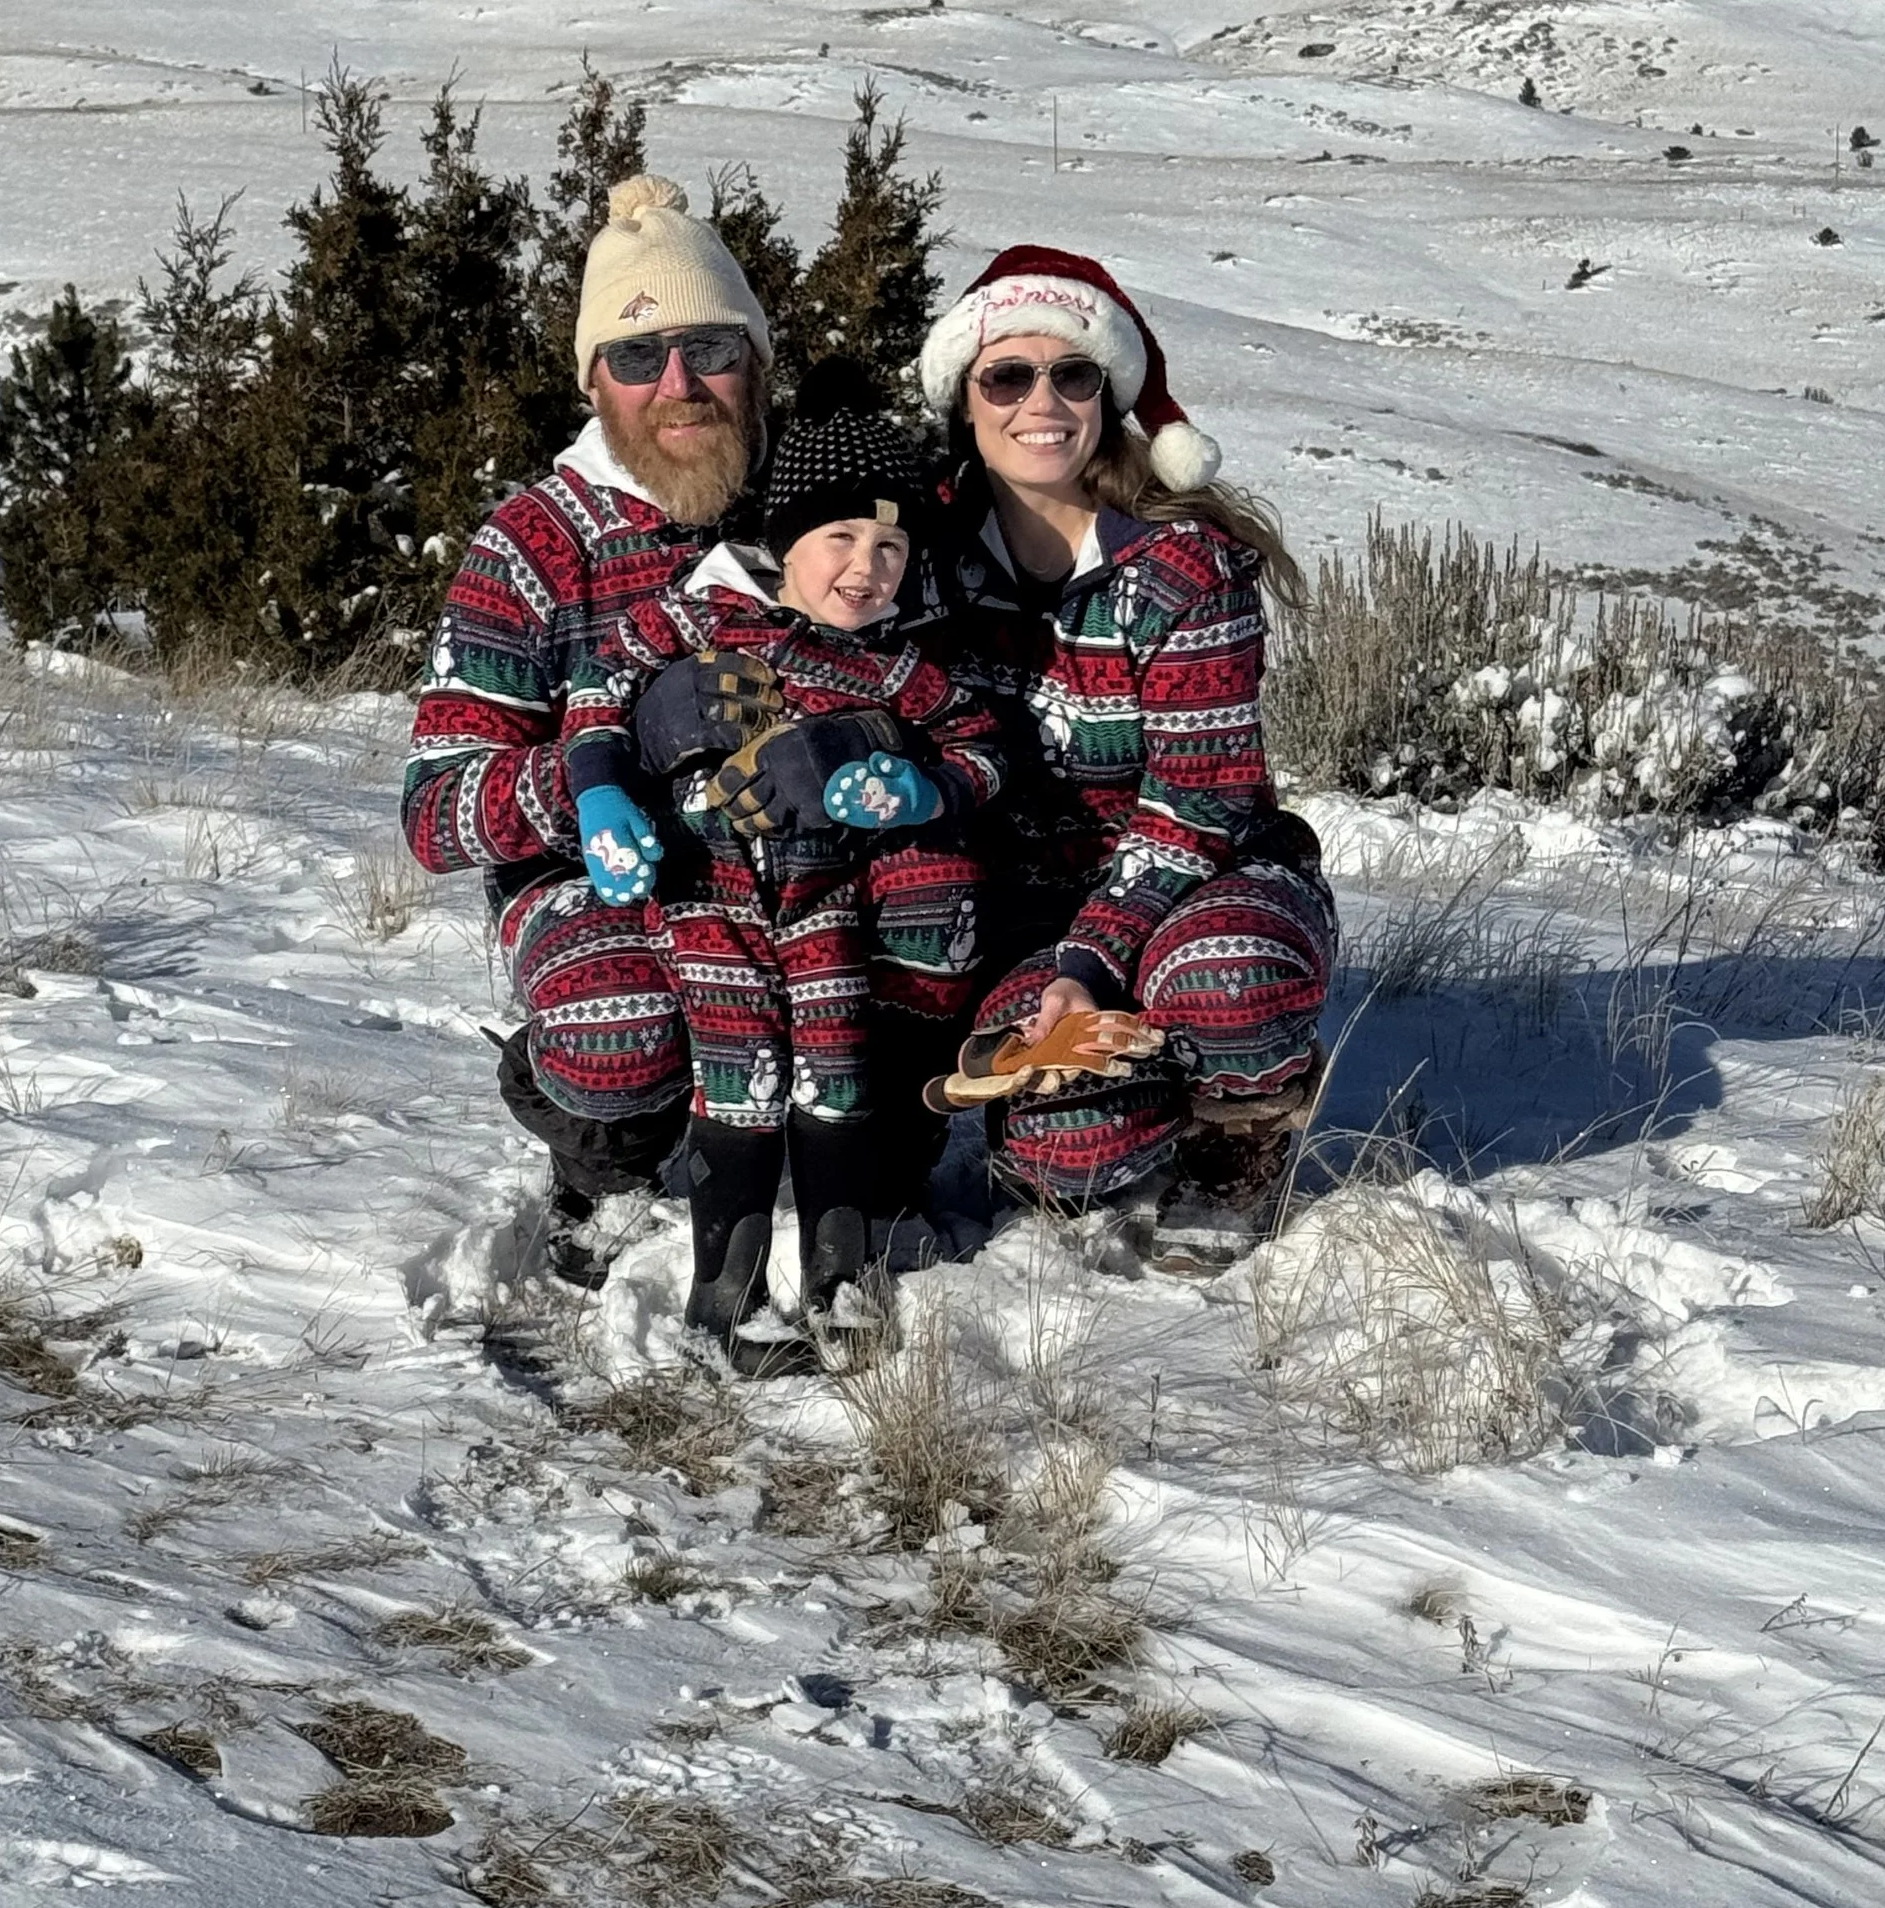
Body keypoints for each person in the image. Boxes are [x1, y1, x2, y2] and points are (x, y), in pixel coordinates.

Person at [400, 176, 970, 1283]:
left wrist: (871, 747)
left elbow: (944, 694)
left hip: (830, 865)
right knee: (618, 1029)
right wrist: (607, 764)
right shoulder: (535, 542)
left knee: (935, 897)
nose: (678, 383)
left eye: (710, 346)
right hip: (621, 875)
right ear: (593, 380)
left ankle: (882, 1150)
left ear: (756, 359)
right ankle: (604, 1157)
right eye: (635, 355)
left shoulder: (835, 496)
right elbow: (435, 813)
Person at [561, 368, 997, 1365]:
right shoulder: (698, 619)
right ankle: (729, 1300)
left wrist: (925, 789)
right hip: (705, 895)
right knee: (741, 1080)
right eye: (839, 539)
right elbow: (600, 693)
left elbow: (981, 745)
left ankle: (841, 1283)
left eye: (890, 547)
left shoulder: (893, 666)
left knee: (835, 1078)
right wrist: (600, 788)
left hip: (824, 902)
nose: (865, 568)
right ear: (785, 540)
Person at [916, 243, 1334, 1254]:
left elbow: (1200, 800)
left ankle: (1241, 1124)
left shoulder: (1184, 569)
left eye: (1073, 374)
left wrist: (1087, 961)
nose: (1041, 402)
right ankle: (1131, 1100)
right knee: (1066, 1150)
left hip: (1203, 882)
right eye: (1006, 376)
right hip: (1028, 910)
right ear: (964, 402)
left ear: (1107, 397)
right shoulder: (913, 565)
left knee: (1226, 979)